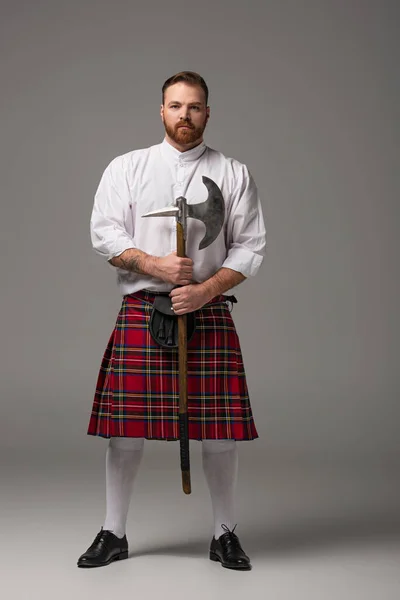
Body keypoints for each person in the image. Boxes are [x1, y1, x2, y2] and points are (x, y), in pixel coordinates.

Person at [77, 71, 266, 571]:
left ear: (208, 113)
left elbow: (250, 247)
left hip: (206, 311)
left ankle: (224, 533)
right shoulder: (128, 168)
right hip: (143, 308)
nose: (185, 115)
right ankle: (112, 531)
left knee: (220, 430)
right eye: (176, 106)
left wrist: (204, 290)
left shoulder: (233, 173)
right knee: (124, 429)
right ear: (161, 111)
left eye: (195, 107)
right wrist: (155, 265)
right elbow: (105, 234)